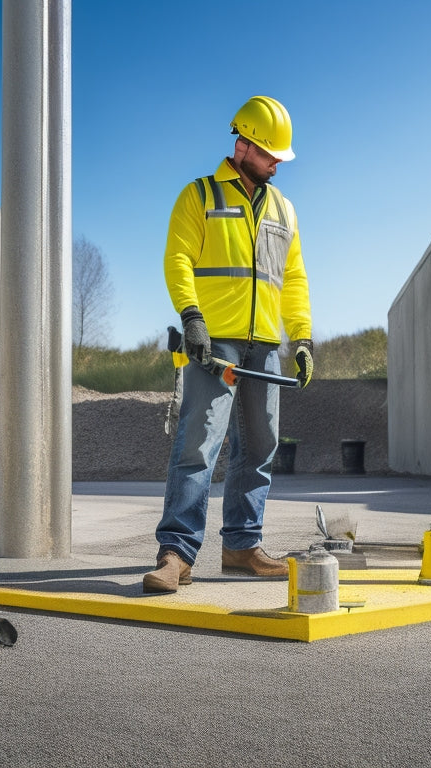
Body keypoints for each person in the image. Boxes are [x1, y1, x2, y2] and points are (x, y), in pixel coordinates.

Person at [142, 95, 313, 593]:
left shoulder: (284, 209)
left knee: (261, 446)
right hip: (213, 345)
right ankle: (176, 552)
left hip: (265, 346)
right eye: (269, 153)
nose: (278, 161)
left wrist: (300, 339)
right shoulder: (199, 196)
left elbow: (294, 279)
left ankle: (242, 545)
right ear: (243, 146)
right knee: (199, 444)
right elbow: (178, 259)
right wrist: (191, 319)